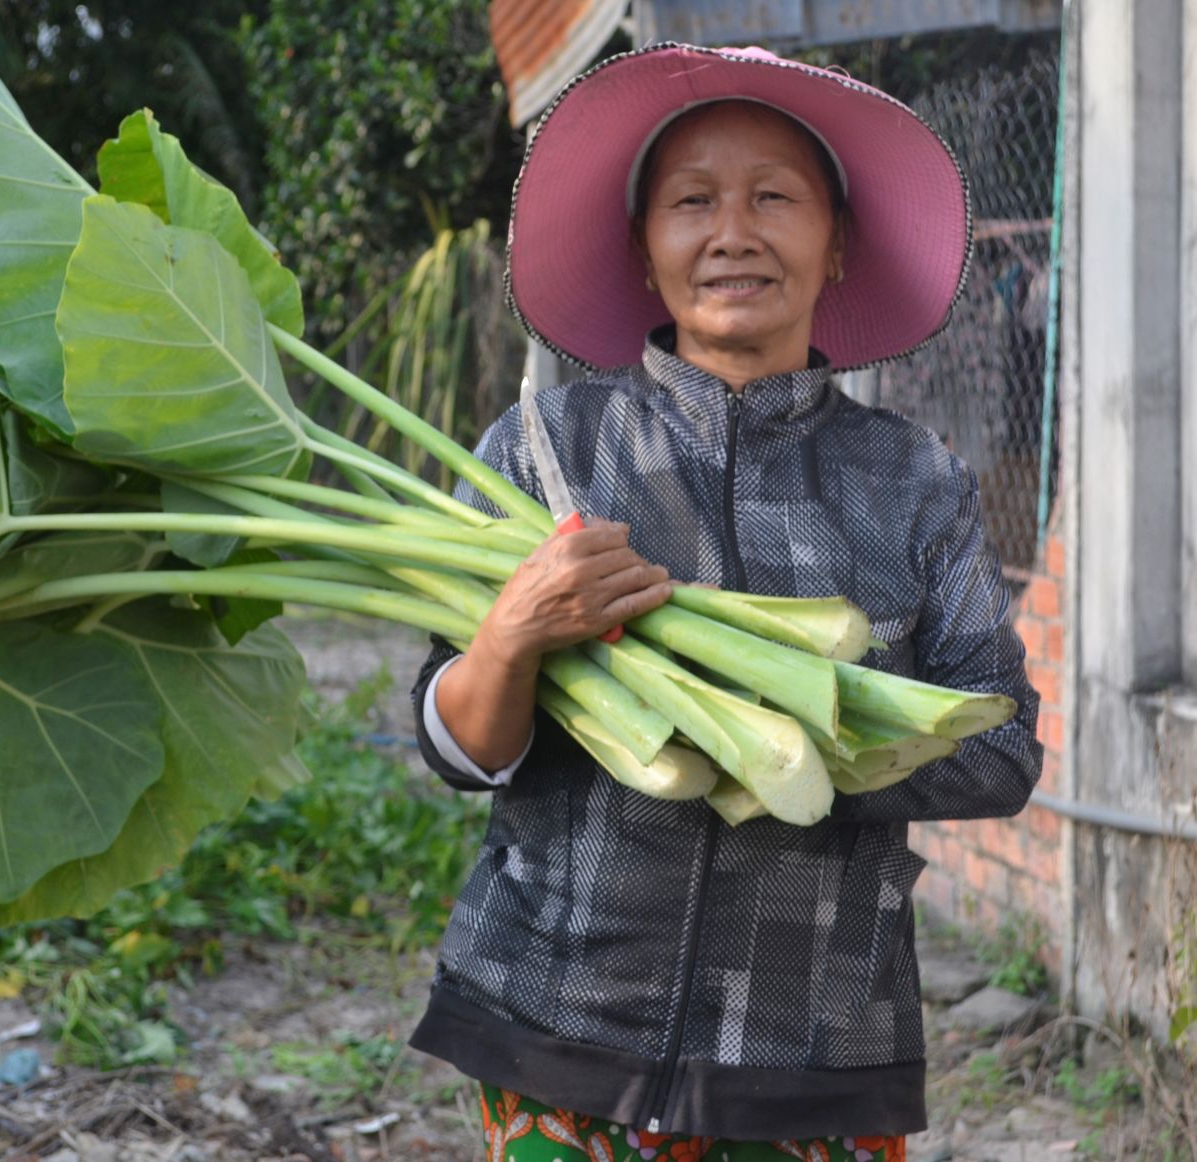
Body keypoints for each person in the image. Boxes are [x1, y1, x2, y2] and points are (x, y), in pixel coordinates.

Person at [407, 43, 1043, 1162]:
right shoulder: (546, 457)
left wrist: (794, 745)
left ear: (836, 243)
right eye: (691, 201)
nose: (732, 232)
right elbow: (458, 747)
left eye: (775, 199)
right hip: (559, 1019)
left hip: (816, 1051)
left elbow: (1001, 748)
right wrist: (510, 637)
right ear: (646, 251)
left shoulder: (912, 481)